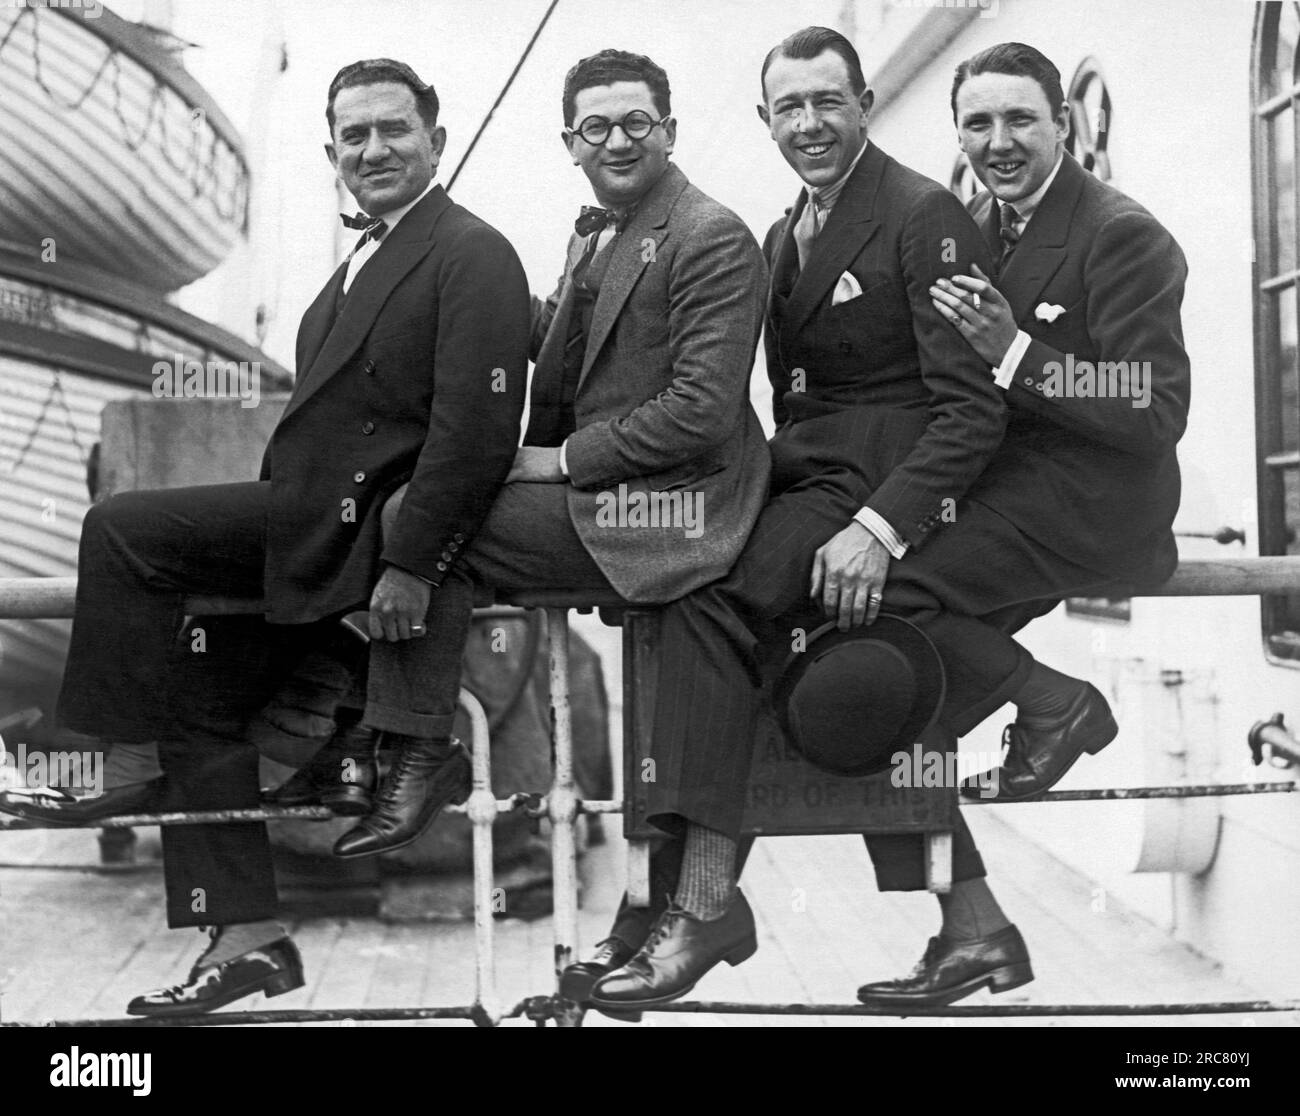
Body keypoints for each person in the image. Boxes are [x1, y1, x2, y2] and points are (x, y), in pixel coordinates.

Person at [0, 58, 532, 1017]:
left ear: (436, 141)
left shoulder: (472, 252)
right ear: (332, 152)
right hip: (308, 535)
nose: (373, 150)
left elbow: (477, 433)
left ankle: (109, 755)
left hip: (360, 539)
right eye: (354, 137)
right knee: (198, 694)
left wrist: (413, 565)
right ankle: (244, 936)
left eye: (393, 130)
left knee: (123, 530)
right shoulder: (349, 275)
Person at [585, 26, 1013, 1016]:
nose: (810, 123)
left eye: (828, 101)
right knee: (844, 694)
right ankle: (975, 925)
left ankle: (689, 902)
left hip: (882, 493)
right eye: (790, 107)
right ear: (765, 120)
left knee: (704, 602)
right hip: (803, 482)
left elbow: (971, 409)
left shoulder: (923, 214)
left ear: (862, 103)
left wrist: (881, 527)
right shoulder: (783, 236)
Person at [321, 47, 771, 860]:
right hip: (611, 497)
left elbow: (701, 413)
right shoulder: (598, 237)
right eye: (596, 126)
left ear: (668, 131)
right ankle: (371, 739)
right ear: (571, 141)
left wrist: (562, 462)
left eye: (637, 123)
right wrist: (446, 268)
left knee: (417, 516)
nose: (618, 141)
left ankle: (418, 751)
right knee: (396, 504)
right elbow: (558, 342)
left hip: (675, 509)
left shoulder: (712, 236)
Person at [855, 40, 1189, 1007]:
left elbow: (1153, 402)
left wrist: (1017, 351)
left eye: (1019, 121)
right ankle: (972, 931)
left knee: (889, 597)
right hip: (1008, 503)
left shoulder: (1122, 233)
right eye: (976, 124)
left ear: (1063, 124)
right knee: (876, 693)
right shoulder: (973, 227)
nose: (997, 143)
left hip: (1094, 505)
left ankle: (1054, 702)